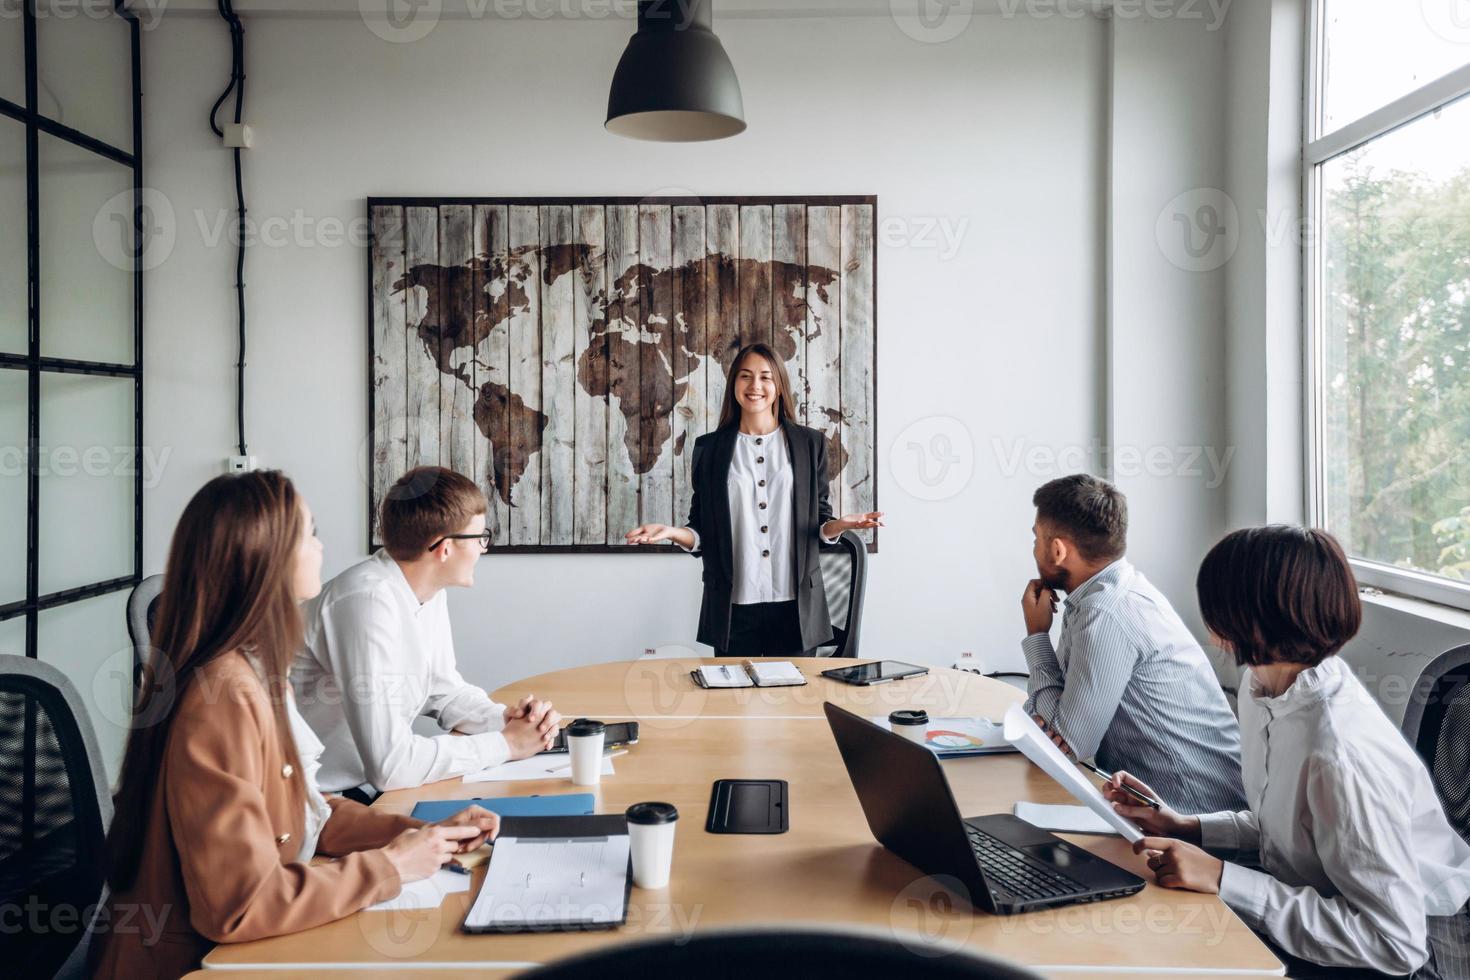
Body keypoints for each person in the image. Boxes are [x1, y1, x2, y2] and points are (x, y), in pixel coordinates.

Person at [92, 471, 499, 979]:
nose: (321, 547)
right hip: (193, 965)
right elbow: (239, 906)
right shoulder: (223, 697)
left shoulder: (254, 668)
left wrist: (420, 835)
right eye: (310, 533)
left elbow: (301, 813)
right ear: (267, 557)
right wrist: (389, 867)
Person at [1106, 526, 1470, 979]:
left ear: (1243, 620)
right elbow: (1292, 830)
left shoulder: (1338, 754)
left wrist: (1223, 878)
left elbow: (1395, 943)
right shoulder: (1266, 686)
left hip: (1418, 955)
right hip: (1326, 904)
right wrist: (1187, 826)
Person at [292, 466, 559, 798]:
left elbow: (443, 692)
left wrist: (510, 720)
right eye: (479, 537)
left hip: (361, 792)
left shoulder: (426, 592)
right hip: (314, 803)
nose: (483, 549)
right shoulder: (367, 602)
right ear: (444, 548)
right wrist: (506, 744)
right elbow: (391, 767)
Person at [624, 342, 883, 656]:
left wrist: (839, 525)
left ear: (779, 386)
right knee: (734, 702)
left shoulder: (810, 444)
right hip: (734, 609)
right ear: (734, 383)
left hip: (796, 609)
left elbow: (818, 525)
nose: (755, 386)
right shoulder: (709, 449)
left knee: (794, 701)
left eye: (765, 377)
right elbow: (703, 531)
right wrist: (670, 532)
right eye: (745, 376)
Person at [1021, 473, 1245, 813]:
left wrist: (1037, 636)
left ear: (1057, 550)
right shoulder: (1105, 593)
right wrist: (1050, 721)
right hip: (1159, 810)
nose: (1033, 549)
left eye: (1036, 538)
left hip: (1195, 819)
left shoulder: (1105, 613)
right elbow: (1048, 721)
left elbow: (1066, 745)